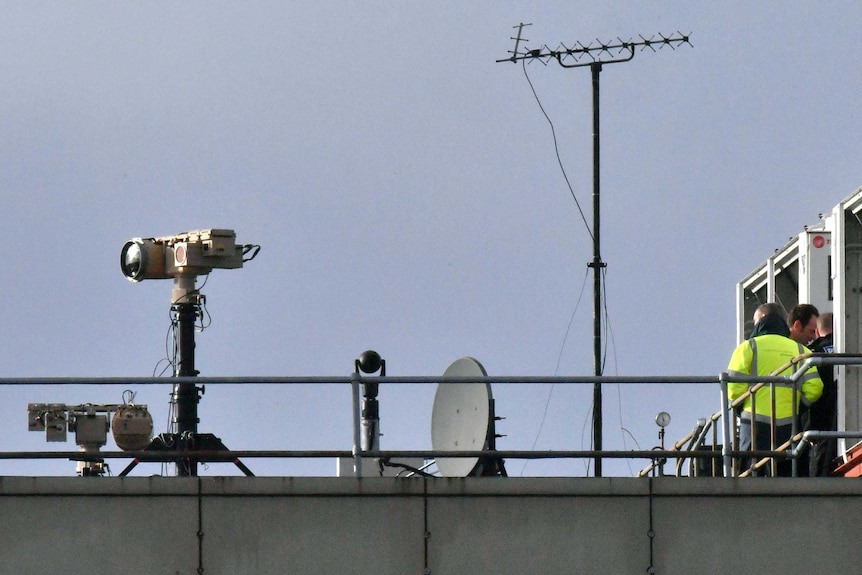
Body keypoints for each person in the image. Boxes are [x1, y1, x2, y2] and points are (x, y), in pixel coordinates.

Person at [727, 302, 823, 476]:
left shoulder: (748, 347)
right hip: (789, 426)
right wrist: (799, 406)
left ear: (762, 320)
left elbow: (733, 388)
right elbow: (815, 388)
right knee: (788, 475)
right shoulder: (800, 349)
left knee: (750, 476)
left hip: (754, 425)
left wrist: (743, 407)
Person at [807, 311, 837, 476]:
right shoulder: (851, 346)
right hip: (853, 424)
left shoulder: (812, 353)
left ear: (817, 332)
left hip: (822, 425)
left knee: (821, 473)